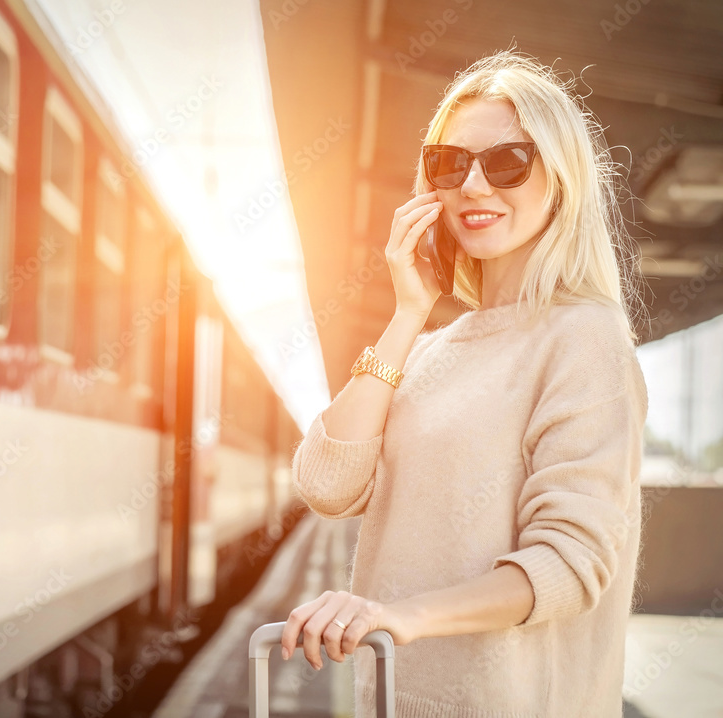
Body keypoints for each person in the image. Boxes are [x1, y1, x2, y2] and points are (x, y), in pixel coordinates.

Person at [280, 50, 650, 717]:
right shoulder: (426, 350)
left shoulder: (584, 339)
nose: (474, 186)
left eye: (507, 161)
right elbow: (325, 485)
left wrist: (401, 616)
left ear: (561, 179)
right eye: (451, 164)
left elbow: (568, 565)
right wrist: (407, 313)